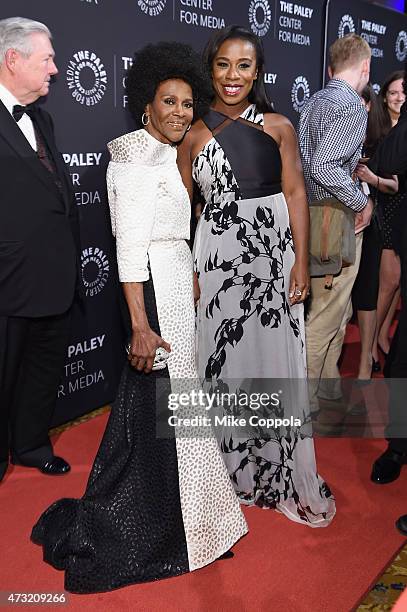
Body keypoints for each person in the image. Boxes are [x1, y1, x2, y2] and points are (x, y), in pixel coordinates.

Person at [31, 42, 248, 593]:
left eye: (185, 102)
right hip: (152, 294)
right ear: (144, 106)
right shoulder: (130, 160)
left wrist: (191, 274)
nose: (178, 111)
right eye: (166, 102)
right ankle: (154, 528)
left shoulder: (168, 155)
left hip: (176, 284)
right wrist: (140, 324)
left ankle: (198, 526)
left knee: (179, 413)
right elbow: (128, 249)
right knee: (157, 420)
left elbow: (177, 229)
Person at [178, 25, 335, 527]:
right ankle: (226, 472)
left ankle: (275, 468)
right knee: (222, 365)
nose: (232, 76)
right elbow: (186, 208)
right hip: (219, 259)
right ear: (211, 68)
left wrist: (301, 263)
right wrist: (189, 270)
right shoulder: (193, 132)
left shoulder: (278, 126)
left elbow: (295, 195)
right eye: (223, 64)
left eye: (243, 65)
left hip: (272, 256)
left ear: (257, 71)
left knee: (272, 363)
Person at [0, 17, 79, 482]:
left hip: (55, 275)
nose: (54, 69)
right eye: (46, 58)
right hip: (8, 278)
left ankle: (30, 444)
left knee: (44, 368)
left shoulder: (42, 117)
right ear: (13, 59)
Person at [297, 34, 373, 416]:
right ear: (365, 67)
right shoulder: (351, 107)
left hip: (313, 217)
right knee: (325, 315)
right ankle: (304, 405)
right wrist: (362, 201)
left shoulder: (312, 101)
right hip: (336, 219)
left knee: (336, 311)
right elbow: (324, 165)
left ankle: (326, 392)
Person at [352, 84, 398, 380]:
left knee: (373, 290)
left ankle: (365, 361)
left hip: (375, 220)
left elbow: (393, 183)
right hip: (340, 221)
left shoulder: (382, 139)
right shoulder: (334, 133)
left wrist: (369, 178)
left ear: (370, 105)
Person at [372, 71, 406, 363]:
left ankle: (382, 335)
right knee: (388, 282)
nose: (399, 98)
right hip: (384, 210)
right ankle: (372, 342)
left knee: (396, 284)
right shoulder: (379, 130)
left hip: (400, 206)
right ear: (384, 96)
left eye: (402, 93)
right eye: (393, 93)